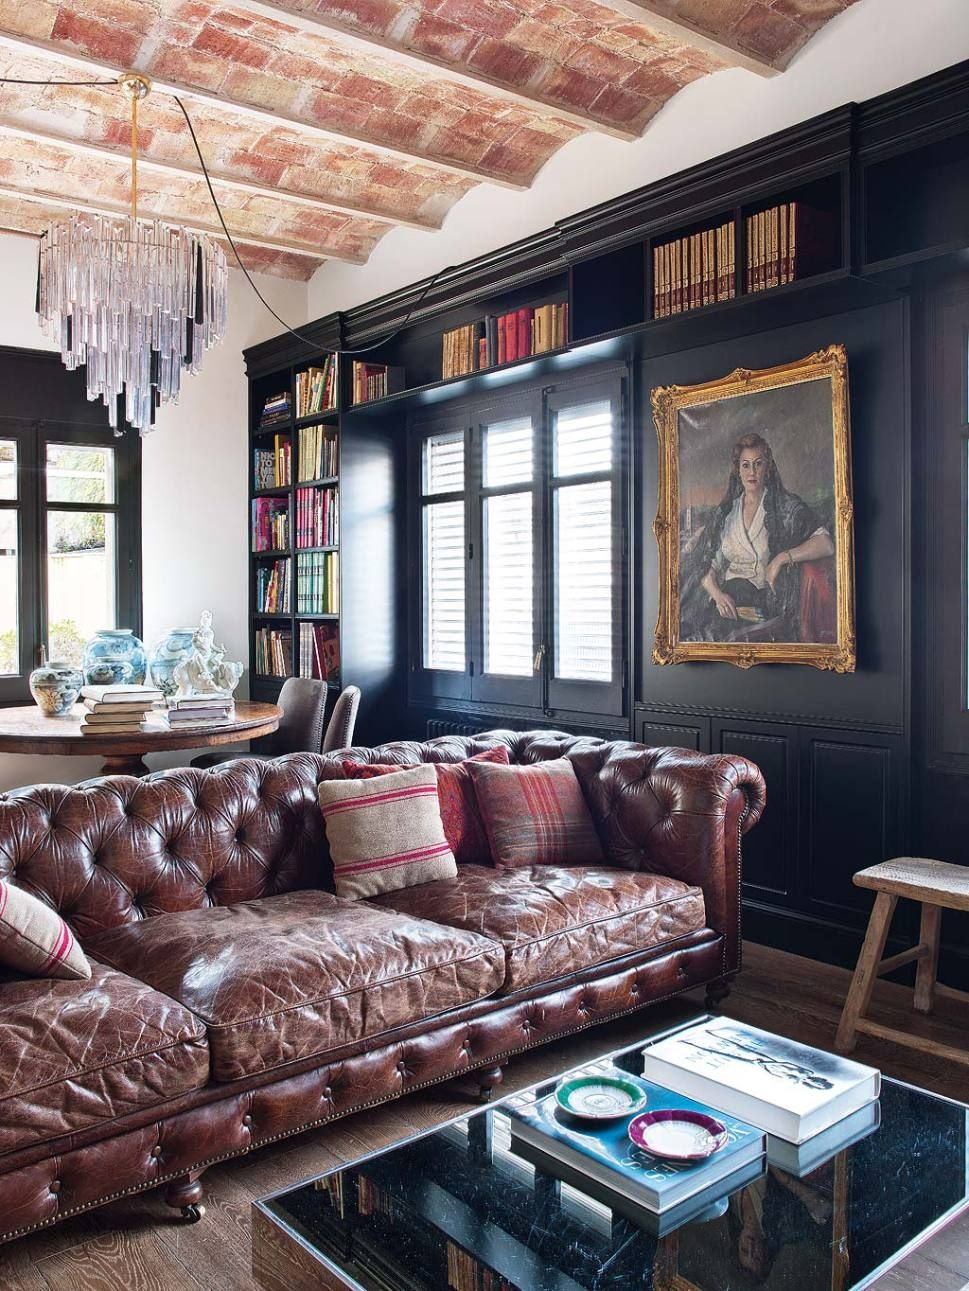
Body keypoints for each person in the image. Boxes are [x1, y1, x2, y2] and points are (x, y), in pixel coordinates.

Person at [681, 432, 834, 642]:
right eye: (745, 465)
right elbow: (707, 564)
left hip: (763, 605)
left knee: (727, 638)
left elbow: (826, 544)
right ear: (738, 470)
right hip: (727, 602)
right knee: (698, 635)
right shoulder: (727, 512)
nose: (752, 472)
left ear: (768, 467)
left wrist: (781, 559)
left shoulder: (784, 508)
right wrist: (717, 595)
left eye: (758, 464)